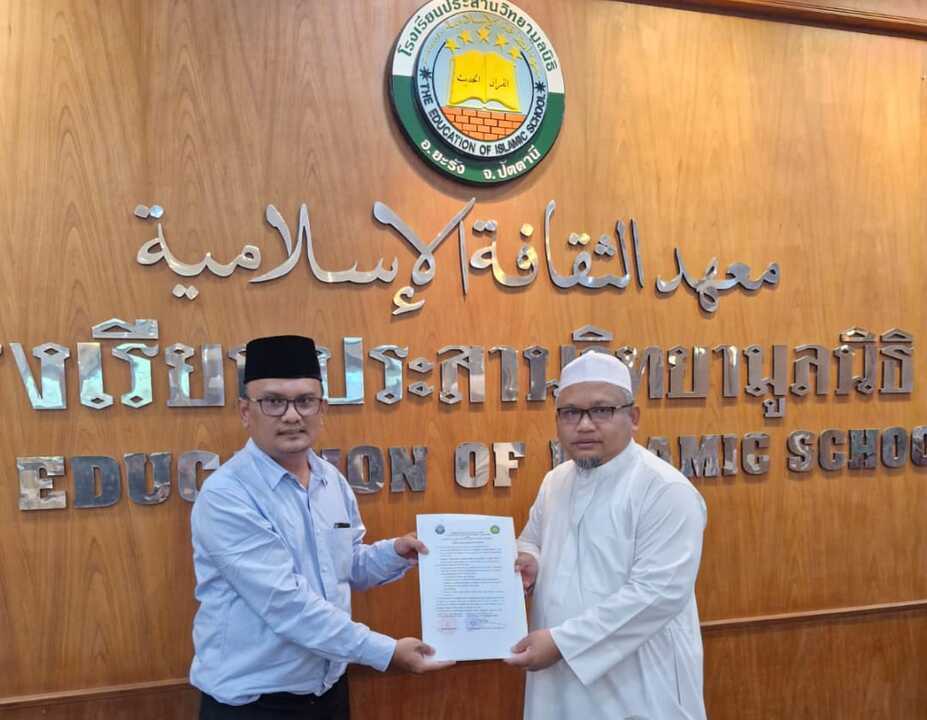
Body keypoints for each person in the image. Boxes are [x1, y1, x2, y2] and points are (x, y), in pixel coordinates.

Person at [190, 335, 452, 719]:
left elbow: (346, 566)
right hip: (255, 705)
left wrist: (397, 552)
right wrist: (386, 652)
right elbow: (286, 604)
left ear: (322, 408)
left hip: (328, 691)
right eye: (273, 402)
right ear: (246, 411)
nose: (292, 415)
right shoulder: (227, 495)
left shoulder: (330, 480)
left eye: (305, 400)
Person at [506, 351, 707, 720]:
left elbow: (657, 594)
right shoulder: (556, 481)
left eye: (601, 411)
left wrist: (563, 643)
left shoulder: (664, 489)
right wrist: (529, 560)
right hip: (556, 672)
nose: (584, 425)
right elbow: (531, 541)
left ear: (633, 417)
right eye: (570, 413)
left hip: (638, 680)